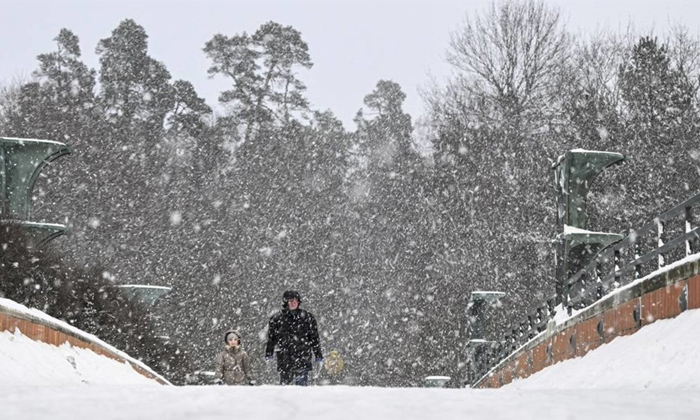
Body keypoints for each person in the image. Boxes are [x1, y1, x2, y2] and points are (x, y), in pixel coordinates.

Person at [265, 291, 323, 386]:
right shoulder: (276, 319)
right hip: (284, 358)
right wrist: (268, 353)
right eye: (291, 300)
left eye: (296, 300)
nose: (293, 302)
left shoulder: (308, 317)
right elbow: (271, 339)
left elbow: (314, 338)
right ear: (285, 302)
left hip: (302, 357)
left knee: (301, 389)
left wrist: (318, 355)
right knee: (285, 389)